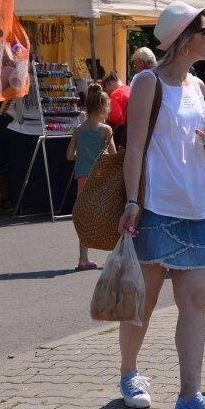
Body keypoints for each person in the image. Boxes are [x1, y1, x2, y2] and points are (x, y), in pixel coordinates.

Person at [116, 0, 205, 409]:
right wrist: (132, 201)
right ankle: (129, 372)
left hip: (197, 206)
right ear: (184, 37)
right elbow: (136, 149)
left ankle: (189, 397)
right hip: (158, 208)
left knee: (196, 301)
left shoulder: (199, 87)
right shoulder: (148, 81)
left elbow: (195, 146)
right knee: (143, 301)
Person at [66, 83, 115, 270]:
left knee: (85, 218)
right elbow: (112, 156)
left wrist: (83, 155)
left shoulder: (78, 130)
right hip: (101, 179)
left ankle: (83, 258)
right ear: (103, 108)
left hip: (83, 180)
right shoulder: (105, 130)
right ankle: (115, 253)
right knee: (110, 215)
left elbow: (70, 156)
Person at [101, 72, 131, 148]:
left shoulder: (115, 94)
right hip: (134, 128)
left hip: (122, 132)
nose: (106, 90)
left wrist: (106, 116)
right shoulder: (130, 89)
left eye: (105, 87)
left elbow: (115, 117)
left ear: (109, 83)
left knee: (119, 157)